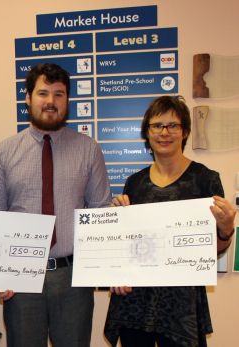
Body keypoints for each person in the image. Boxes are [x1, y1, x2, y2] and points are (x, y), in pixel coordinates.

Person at [0, 63, 111, 347]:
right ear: (28, 98)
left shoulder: (88, 149)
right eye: (43, 93)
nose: (51, 102)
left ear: (67, 100)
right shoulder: (4, 153)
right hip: (20, 278)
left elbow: (101, 212)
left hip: (72, 278)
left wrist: (110, 269)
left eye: (59, 94)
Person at [104, 95, 237, 347]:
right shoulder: (135, 182)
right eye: (157, 126)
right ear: (147, 132)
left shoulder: (205, 179)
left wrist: (226, 230)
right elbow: (127, 244)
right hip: (135, 301)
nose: (164, 132)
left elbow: (212, 252)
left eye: (173, 126)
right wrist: (117, 267)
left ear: (185, 131)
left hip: (181, 303)